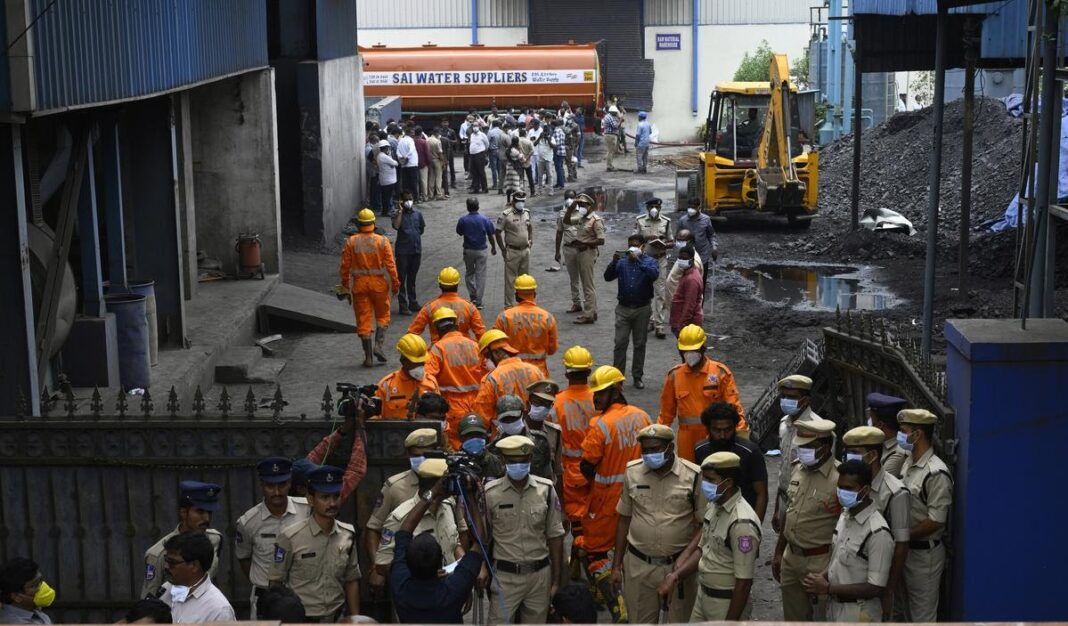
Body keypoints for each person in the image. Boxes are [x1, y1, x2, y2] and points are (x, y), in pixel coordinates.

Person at [578, 365, 651, 622]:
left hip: (607, 498)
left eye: (601, 393)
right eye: (595, 393)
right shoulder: (643, 417)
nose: (595, 398)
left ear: (616, 390)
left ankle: (616, 603)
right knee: (631, 548)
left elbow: (587, 464)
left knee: (595, 552)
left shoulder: (601, 425)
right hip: (640, 495)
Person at [612, 424, 703, 623]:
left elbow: (704, 525)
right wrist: (616, 566)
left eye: (655, 449)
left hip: (678, 567)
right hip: (639, 566)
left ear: (671, 448)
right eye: (645, 450)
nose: (649, 455)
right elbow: (624, 519)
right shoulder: (632, 472)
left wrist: (686, 559)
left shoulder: (694, 475)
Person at [659, 451, 761, 621]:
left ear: (728, 483)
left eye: (710, 480)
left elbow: (743, 583)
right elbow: (703, 549)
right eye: (704, 479)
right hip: (703, 597)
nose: (704, 484)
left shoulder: (742, 523)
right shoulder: (714, 506)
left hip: (725, 603)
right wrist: (676, 576)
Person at [485, 435, 566, 624]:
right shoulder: (490, 493)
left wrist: (556, 580)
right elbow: (483, 537)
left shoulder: (546, 490)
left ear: (530, 460)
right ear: (504, 461)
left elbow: (555, 536)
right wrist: (481, 568)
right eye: (513, 462)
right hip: (505, 577)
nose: (518, 466)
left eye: (522, 461)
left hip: (539, 577)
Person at [802, 459, 895, 623]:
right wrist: (820, 579)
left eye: (848, 488)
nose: (841, 493)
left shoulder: (878, 532)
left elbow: (875, 588)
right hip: (834, 608)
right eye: (840, 487)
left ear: (866, 490)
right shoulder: (845, 515)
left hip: (859, 613)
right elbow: (839, 559)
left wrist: (828, 588)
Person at [389, 468, 486, 624]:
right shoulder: (454, 590)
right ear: (440, 561)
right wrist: (469, 496)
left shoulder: (400, 585)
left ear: (407, 561)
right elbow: (479, 541)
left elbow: (404, 531)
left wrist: (433, 491)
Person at [269, 466, 360, 621]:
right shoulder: (290, 537)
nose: (332, 503)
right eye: (325, 497)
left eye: (336, 496)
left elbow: (352, 579)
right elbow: (276, 583)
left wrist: (355, 619)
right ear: (311, 500)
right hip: (302, 620)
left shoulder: (347, 535)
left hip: (337, 618)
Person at [773, 418, 841, 622]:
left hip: (820, 561)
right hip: (791, 558)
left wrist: (828, 572)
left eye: (808, 447)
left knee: (821, 618)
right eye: (801, 447)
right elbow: (789, 513)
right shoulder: (798, 469)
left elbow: (846, 530)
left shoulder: (839, 479)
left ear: (825, 448)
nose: (802, 452)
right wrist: (778, 552)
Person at [841, 426, 911, 620]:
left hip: (878, 574)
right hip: (851, 571)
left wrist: (889, 589)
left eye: (855, 453)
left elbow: (901, 544)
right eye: (847, 453)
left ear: (872, 456)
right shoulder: (850, 485)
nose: (849, 459)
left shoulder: (895, 492)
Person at [363, 428, 444, 594]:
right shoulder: (395, 486)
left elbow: (461, 531)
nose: (421, 460)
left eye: (426, 455)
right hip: (407, 579)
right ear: (407, 455)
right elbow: (373, 528)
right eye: (416, 456)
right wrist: (377, 566)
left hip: (443, 575)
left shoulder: (447, 483)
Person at [657, 324, 746, 462]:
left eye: (694, 350)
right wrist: (659, 437)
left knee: (716, 470)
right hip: (687, 439)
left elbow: (734, 407)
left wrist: (741, 437)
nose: (689, 354)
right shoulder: (674, 375)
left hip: (715, 435)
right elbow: (666, 414)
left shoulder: (720, 372)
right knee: (688, 472)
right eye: (686, 351)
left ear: (703, 348)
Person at [235, 458, 311, 618]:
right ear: (261, 485)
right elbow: (244, 558)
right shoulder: (248, 522)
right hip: (265, 598)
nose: (277, 492)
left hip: (301, 597)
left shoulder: (307, 510)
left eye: (282, 485)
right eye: (270, 486)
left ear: (289, 483)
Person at [897, 409, 953, 622]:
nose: (900, 436)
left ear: (917, 434)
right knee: (904, 613)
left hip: (924, 557)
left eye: (904, 431)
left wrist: (902, 535)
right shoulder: (909, 462)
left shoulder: (936, 472)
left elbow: (936, 520)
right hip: (906, 551)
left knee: (922, 618)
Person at [550, 346, 597, 570]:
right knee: (593, 519)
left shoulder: (557, 403)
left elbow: (551, 440)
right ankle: (581, 563)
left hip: (570, 472)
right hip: (596, 469)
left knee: (576, 522)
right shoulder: (599, 399)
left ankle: (586, 565)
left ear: (567, 373)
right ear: (588, 372)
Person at [373, 460, 465, 572]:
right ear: (439, 485)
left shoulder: (449, 506)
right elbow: (382, 565)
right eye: (450, 481)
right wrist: (422, 575)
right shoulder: (400, 517)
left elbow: (454, 544)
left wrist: (464, 564)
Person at [338, 209, 400, 368]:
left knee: (364, 320)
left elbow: (344, 267)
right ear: (373, 223)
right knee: (383, 316)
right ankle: (378, 346)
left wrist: (345, 285)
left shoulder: (351, 242)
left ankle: (368, 358)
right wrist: (395, 284)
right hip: (379, 285)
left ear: (359, 224)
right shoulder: (382, 241)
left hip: (359, 285)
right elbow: (391, 266)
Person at [142, 481, 224, 599]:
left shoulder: (214, 539)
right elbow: (149, 598)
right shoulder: (158, 554)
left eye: (209, 512)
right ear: (183, 513)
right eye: (200, 511)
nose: (207, 518)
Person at [694, 402, 768, 521]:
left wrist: (755, 525)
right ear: (708, 429)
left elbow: (761, 493)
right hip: (713, 518)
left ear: (735, 427)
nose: (722, 436)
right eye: (717, 430)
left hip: (742, 518)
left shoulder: (750, 452)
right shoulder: (701, 450)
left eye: (727, 430)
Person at [422, 308, 485, 448]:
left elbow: (428, 375)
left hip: (453, 405)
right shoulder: (474, 345)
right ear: (456, 324)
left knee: (455, 444)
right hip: (477, 401)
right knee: (477, 440)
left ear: (437, 327)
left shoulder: (438, 348)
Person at [604, 234, 660, 388]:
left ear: (643, 246)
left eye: (635, 245)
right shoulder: (622, 262)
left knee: (639, 344)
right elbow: (607, 277)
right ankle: (617, 377)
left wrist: (639, 261)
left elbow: (654, 275)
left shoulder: (650, 262)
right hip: (623, 308)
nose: (632, 248)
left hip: (642, 309)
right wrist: (613, 262)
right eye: (630, 245)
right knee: (620, 343)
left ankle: (637, 376)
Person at [773, 374, 823, 533]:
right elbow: (783, 467)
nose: (786, 400)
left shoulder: (818, 428)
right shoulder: (784, 424)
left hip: (805, 502)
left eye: (792, 397)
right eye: (784, 396)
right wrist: (777, 508)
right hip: (785, 497)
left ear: (806, 400)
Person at [471, 330, 543, 434]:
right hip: (535, 433)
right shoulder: (535, 371)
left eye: (487, 356)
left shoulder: (491, 379)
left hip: (506, 436)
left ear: (496, 353)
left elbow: (481, 417)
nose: (486, 361)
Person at [159, 532, 235, 623]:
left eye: (172, 562)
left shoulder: (218, 610)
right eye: (166, 560)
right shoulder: (166, 590)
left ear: (194, 566)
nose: (166, 566)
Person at [493, 274, 558, 377]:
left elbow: (495, 346)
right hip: (539, 373)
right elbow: (552, 349)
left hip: (512, 372)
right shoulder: (547, 317)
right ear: (534, 294)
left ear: (517, 295)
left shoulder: (504, 317)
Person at [407, 267, 485, 343]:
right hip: (464, 349)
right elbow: (482, 335)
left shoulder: (429, 307)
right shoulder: (470, 307)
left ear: (440, 285)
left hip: (438, 349)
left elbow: (411, 334)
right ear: (457, 285)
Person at [487, 395, 555, 480]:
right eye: (505, 419)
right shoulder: (494, 449)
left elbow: (548, 475)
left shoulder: (540, 441)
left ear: (523, 414)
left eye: (514, 418)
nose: (510, 422)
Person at [564, 193, 606, 325]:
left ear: (589, 206)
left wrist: (584, 243)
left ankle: (588, 315)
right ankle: (592, 312)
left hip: (588, 252)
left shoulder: (595, 220)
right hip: (580, 252)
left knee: (588, 285)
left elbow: (601, 240)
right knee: (587, 284)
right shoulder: (581, 218)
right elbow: (566, 221)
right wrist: (571, 207)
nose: (581, 206)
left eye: (583, 204)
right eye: (579, 204)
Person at [634, 197, 672, 338]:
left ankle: (659, 325)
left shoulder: (666, 222)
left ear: (660, 208)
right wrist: (647, 238)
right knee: (646, 291)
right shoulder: (640, 221)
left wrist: (664, 243)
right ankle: (649, 320)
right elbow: (633, 241)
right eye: (651, 207)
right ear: (647, 208)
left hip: (660, 260)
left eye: (657, 206)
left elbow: (672, 241)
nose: (654, 209)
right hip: (645, 260)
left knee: (660, 292)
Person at [374, 334, 431, 420]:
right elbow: (374, 419)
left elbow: (440, 417)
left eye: (422, 362)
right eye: (415, 362)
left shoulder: (431, 383)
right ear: (403, 361)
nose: (420, 366)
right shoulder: (386, 386)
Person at [455, 198, 497, 309]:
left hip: (468, 250)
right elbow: (490, 235)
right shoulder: (485, 219)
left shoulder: (463, 220)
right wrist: (493, 247)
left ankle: (473, 296)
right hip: (481, 251)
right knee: (480, 275)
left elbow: (459, 232)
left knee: (469, 273)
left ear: (467, 207)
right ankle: (478, 301)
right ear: (478, 206)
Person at [495, 190, 533, 308]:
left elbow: (530, 227)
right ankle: (509, 306)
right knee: (510, 281)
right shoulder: (506, 215)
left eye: (523, 201)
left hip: (525, 251)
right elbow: (497, 232)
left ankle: (524, 304)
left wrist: (530, 240)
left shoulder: (527, 213)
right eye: (518, 201)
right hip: (512, 251)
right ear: (513, 201)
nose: (521, 203)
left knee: (524, 280)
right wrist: (503, 249)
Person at [391, 192, 425, 314]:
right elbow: (396, 226)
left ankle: (413, 302)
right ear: (401, 201)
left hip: (416, 250)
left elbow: (421, 229)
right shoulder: (397, 214)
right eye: (406, 200)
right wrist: (400, 211)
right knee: (401, 278)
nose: (409, 202)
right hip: (403, 252)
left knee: (412, 278)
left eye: (410, 199)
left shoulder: (418, 214)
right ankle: (403, 305)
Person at [866, 393, 909, 478]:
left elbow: (878, 482)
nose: (869, 422)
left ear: (880, 425)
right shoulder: (881, 443)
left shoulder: (897, 455)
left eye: (871, 418)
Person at [0, 558, 54, 624]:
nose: (42, 587)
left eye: (41, 581)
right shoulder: (12, 623)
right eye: (35, 585)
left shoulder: (39, 615)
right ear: (16, 597)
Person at [676, 199, 719, 276]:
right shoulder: (682, 220)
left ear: (699, 207)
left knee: (702, 278)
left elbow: (711, 234)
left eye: (694, 207)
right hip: (687, 257)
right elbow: (677, 236)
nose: (691, 209)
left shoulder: (706, 219)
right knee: (687, 278)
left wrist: (714, 246)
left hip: (702, 255)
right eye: (689, 207)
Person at [457, 413, 505, 479]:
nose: (474, 439)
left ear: (485, 435)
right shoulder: (455, 463)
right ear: (460, 438)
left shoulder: (494, 462)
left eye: (478, 435)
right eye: (470, 435)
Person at [669, 246, 703, 335]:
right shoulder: (688, 273)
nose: (681, 260)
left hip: (687, 325)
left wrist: (681, 326)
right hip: (682, 321)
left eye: (684, 259)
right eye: (679, 258)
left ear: (692, 260)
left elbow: (689, 306)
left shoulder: (691, 279)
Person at [665, 228, 704, 306]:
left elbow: (691, 290)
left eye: (681, 241)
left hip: (681, 304)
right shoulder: (684, 254)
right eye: (677, 240)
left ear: (690, 241)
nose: (678, 243)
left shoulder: (693, 261)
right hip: (674, 301)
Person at [375, 140, 398, 214]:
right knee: (387, 197)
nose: (388, 149)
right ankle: (387, 211)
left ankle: (386, 211)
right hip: (388, 180)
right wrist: (390, 158)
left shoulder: (381, 155)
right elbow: (395, 163)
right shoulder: (384, 156)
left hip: (386, 179)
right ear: (386, 148)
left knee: (386, 196)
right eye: (388, 148)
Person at [396, 127, 419, 199]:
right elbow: (411, 150)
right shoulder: (410, 140)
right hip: (412, 164)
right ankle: (415, 197)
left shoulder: (401, 141)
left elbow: (397, 151)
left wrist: (401, 158)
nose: (414, 134)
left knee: (405, 183)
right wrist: (406, 157)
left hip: (404, 165)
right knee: (413, 182)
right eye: (412, 133)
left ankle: (406, 198)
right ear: (409, 133)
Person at [467, 123, 489, 193]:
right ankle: (476, 188)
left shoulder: (482, 135)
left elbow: (487, 144)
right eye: (474, 126)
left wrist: (483, 151)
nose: (475, 127)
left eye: (476, 126)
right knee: (474, 172)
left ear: (479, 127)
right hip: (472, 155)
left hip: (480, 154)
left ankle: (484, 188)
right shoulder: (472, 135)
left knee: (481, 172)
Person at [427, 127, 445, 201]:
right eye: (439, 132)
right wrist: (443, 162)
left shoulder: (427, 140)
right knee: (438, 178)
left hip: (430, 160)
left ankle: (430, 195)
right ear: (437, 133)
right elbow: (440, 153)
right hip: (437, 160)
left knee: (431, 178)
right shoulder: (437, 141)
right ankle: (439, 194)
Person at [414, 126, 431, 202]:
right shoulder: (424, 142)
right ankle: (425, 196)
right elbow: (427, 153)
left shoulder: (412, 141)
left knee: (416, 181)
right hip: (423, 164)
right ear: (421, 133)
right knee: (424, 181)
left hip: (414, 164)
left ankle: (417, 196)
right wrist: (429, 162)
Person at [602, 105, 621, 171]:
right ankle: (609, 166)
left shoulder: (610, 116)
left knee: (611, 151)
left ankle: (610, 165)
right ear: (612, 112)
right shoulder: (609, 117)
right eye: (615, 112)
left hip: (610, 135)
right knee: (610, 151)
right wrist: (620, 120)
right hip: (610, 135)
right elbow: (615, 126)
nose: (616, 113)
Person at [550, 118, 568, 190]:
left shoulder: (556, 131)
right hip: (562, 151)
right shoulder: (560, 130)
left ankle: (561, 184)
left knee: (558, 169)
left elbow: (556, 144)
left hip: (558, 152)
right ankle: (559, 183)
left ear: (553, 125)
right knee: (559, 168)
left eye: (551, 125)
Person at [488, 119, 503, 191]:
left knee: (493, 169)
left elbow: (487, 142)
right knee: (499, 168)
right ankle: (500, 184)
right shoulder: (501, 132)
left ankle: (495, 184)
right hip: (500, 151)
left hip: (493, 151)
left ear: (493, 125)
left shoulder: (490, 132)